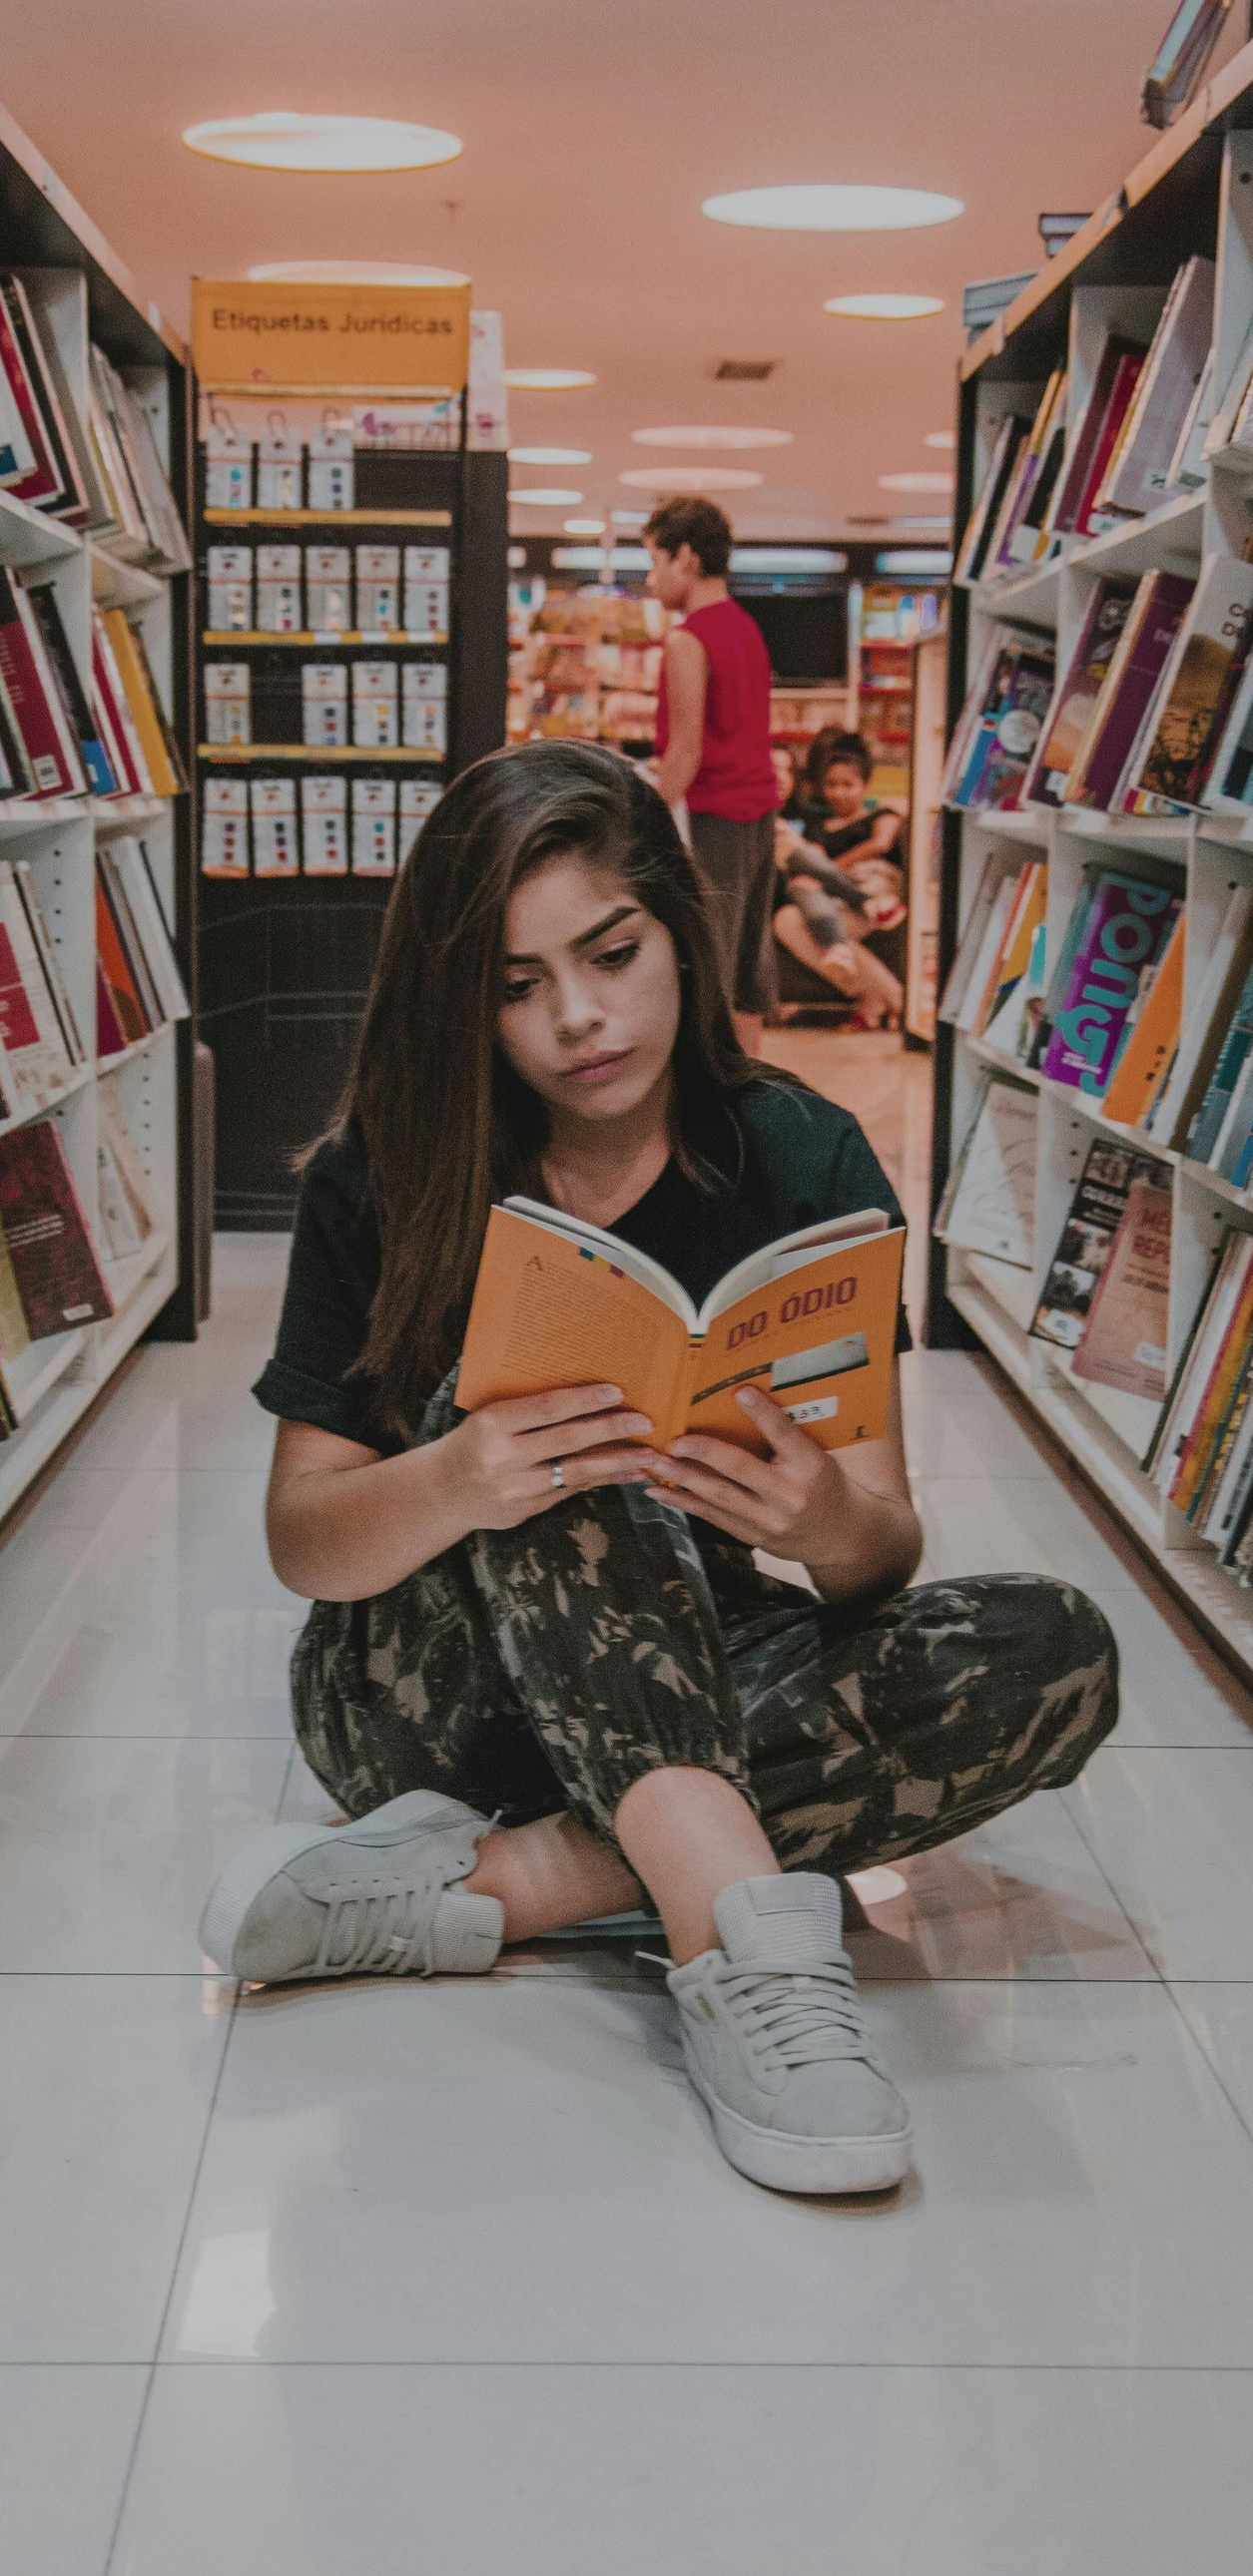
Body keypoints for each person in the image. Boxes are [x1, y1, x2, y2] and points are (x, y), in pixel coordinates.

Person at [199, 741, 1118, 2200]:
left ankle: (496, 1888)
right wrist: (461, 1475)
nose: (576, 1015)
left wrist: (821, 1518)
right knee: (566, 1420)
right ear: (464, 1001)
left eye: (610, 952)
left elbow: (877, 1553)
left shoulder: (803, 1156)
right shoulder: (378, 1173)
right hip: (418, 1708)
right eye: (514, 984)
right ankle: (741, 1954)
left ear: (677, 935)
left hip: (680, 1659)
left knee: (1053, 1650)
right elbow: (305, 1543)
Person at [643, 495, 779, 1056]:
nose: (650, 580)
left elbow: (685, 756)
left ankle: (709, 1109)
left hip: (713, 821)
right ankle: (748, 1101)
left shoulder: (687, 638)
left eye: (654, 561)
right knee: (747, 975)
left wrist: (636, 818)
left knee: (706, 974)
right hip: (760, 815)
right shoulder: (747, 628)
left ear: (687, 559)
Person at [774, 731, 909, 1028]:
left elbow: (881, 844)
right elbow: (812, 861)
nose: (839, 793)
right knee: (787, 920)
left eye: (848, 785)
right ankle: (884, 996)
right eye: (832, 785)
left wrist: (831, 870)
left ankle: (894, 1002)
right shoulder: (819, 826)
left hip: (877, 881)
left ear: (866, 786)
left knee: (811, 921)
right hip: (838, 899)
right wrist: (829, 876)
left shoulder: (881, 813)